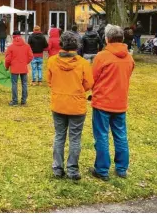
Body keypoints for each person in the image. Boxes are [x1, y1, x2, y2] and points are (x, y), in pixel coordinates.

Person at [47, 31, 94, 180]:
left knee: (59, 136)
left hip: (59, 103)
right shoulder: (83, 63)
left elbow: (50, 81)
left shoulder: (52, 61)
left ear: (61, 44)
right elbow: (89, 83)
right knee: (75, 138)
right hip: (76, 105)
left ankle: (57, 168)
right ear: (77, 45)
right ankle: (72, 169)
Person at [90, 24, 134, 181]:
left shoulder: (102, 56)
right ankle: (121, 168)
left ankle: (102, 169)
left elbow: (91, 79)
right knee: (121, 135)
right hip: (120, 102)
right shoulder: (129, 57)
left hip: (102, 102)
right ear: (122, 38)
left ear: (107, 39)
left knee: (101, 136)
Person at [6, 31, 33, 106]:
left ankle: (15, 101)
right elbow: (31, 56)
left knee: (14, 84)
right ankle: (23, 101)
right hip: (23, 67)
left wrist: (7, 67)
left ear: (13, 37)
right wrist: (25, 62)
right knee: (24, 84)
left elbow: (7, 59)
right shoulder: (27, 46)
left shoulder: (11, 47)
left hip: (14, 68)